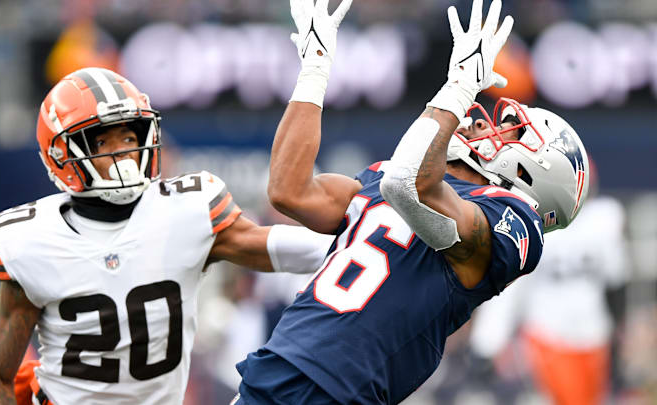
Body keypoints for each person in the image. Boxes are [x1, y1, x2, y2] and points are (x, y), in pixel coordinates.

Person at [233, 0, 590, 403]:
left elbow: (409, 185)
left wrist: (457, 87)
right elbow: (288, 190)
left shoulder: (513, 219)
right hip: (276, 364)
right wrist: (314, 70)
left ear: (533, 172)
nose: (480, 122)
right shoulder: (389, 173)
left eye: (509, 129)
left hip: (339, 390)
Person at [0, 67, 337, 405]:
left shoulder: (184, 213)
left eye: (129, 136)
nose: (126, 154)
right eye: (104, 143)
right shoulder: (32, 242)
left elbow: (270, 245)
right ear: (61, 154)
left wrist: (364, 241)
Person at [469, 171, 628, 405]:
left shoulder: (601, 220)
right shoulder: (601, 220)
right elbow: (511, 291)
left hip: (592, 334)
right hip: (548, 335)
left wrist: (485, 344)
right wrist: (487, 342)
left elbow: (616, 282)